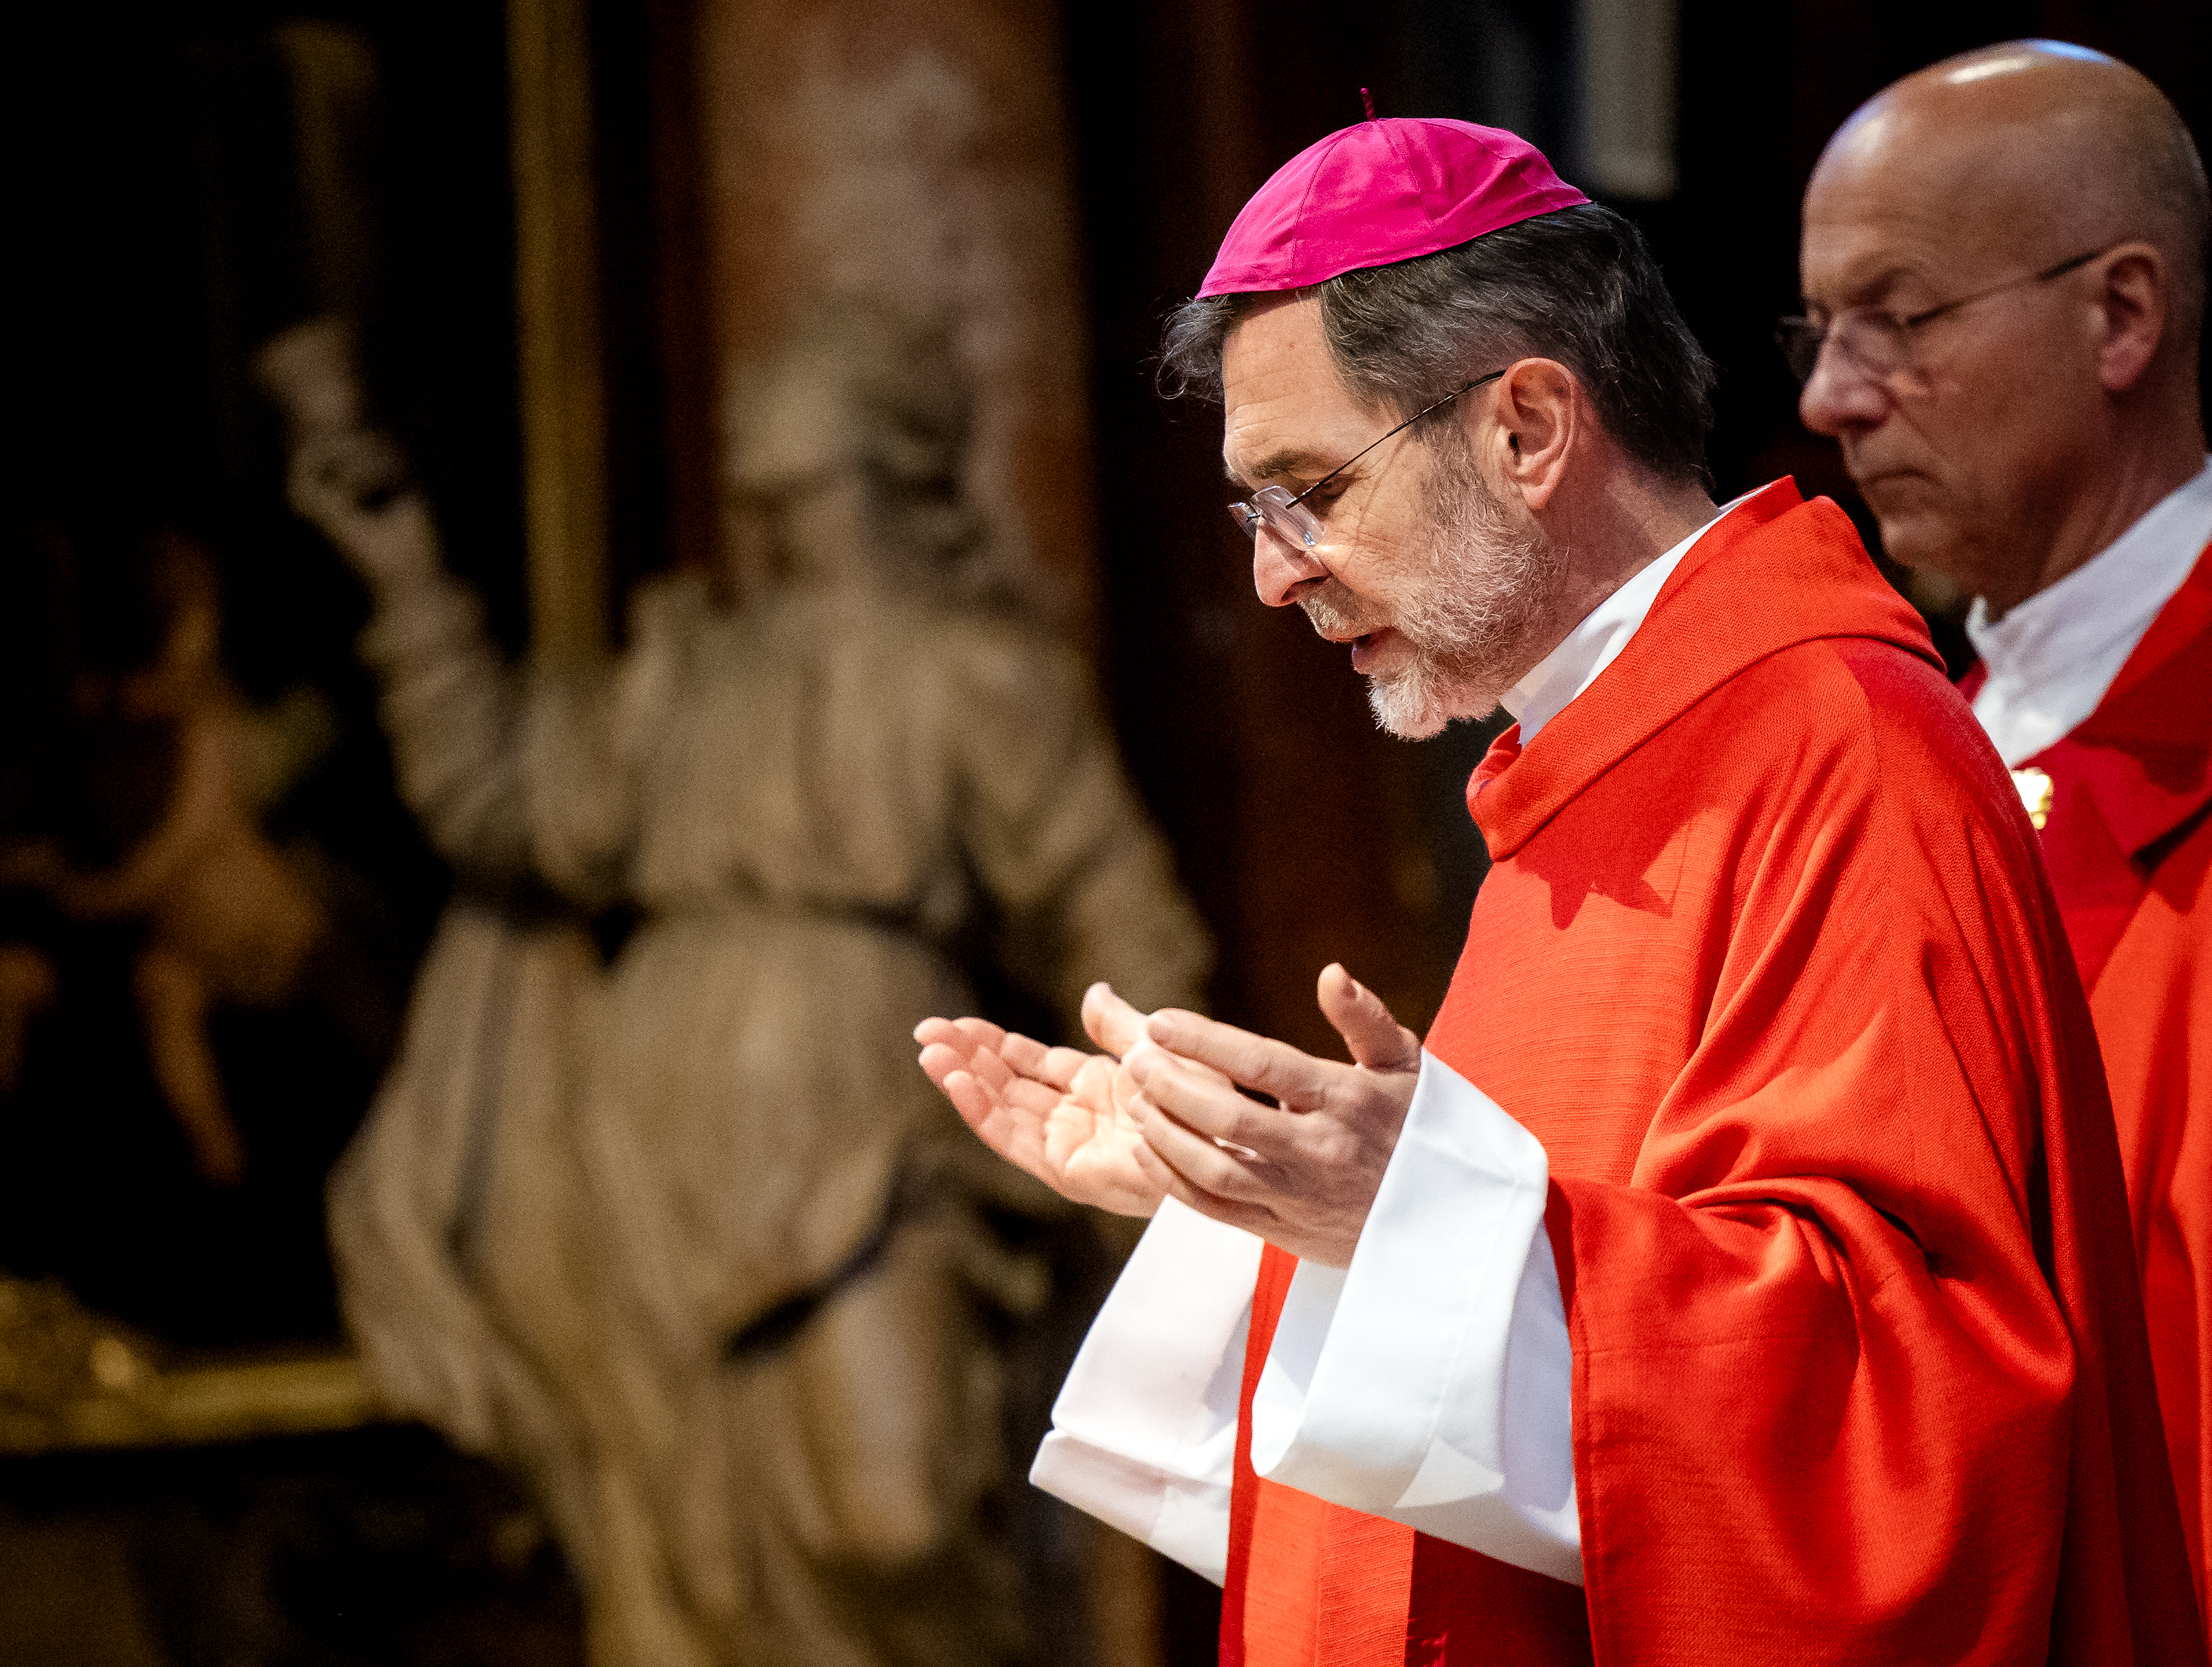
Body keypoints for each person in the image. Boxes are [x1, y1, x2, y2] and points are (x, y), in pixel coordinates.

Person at [916, 115, 2201, 1663]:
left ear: (1527, 428)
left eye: (1310, 490)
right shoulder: (1598, 765)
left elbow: (1901, 1418)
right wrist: (1258, 1197)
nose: (1275, 572)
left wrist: (1406, 1218)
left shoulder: (1835, 747)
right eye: (1259, 514)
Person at [274, 306, 1211, 1667]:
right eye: (751, 494)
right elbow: (501, 800)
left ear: (882, 474)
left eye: (799, 491)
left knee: (894, 1519)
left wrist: (1158, 1113)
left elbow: (1114, 910)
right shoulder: (685, 672)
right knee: (682, 1571)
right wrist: (403, 575)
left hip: (865, 1137)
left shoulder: (974, 676)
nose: (764, 526)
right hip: (645, 1153)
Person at [1794, 40, 2212, 1625]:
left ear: (2121, 315)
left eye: (1897, 320)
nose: (1830, 397)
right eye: (1820, 329)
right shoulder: (1922, 747)